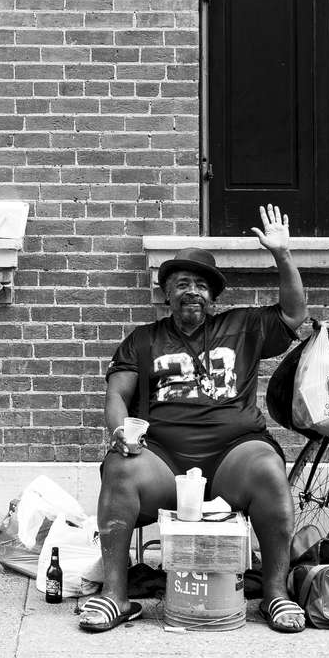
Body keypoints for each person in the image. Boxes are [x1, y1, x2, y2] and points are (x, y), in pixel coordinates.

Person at [79, 204, 308, 634]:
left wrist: (282, 254)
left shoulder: (243, 327)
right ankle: (115, 596)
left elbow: (294, 315)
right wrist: (119, 433)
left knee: (268, 467)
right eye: (182, 283)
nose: (193, 292)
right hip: (163, 460)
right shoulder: (143, 340)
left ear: (213, 297)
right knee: (119, 467)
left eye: (202, 285)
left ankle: (276, 593)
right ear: (166, 293)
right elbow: (117, 395)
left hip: (231, 458)